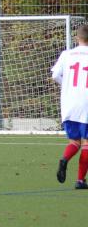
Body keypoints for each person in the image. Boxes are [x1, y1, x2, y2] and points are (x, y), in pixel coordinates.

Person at [52, 24, 88, 189]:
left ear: (77, 38)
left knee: (74, 141)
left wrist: (65, 84)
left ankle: (65, 159)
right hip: (86, 104)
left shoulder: (66, 54)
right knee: (87, 144)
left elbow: (55, 75)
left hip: (69, 103)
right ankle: (80, 181)